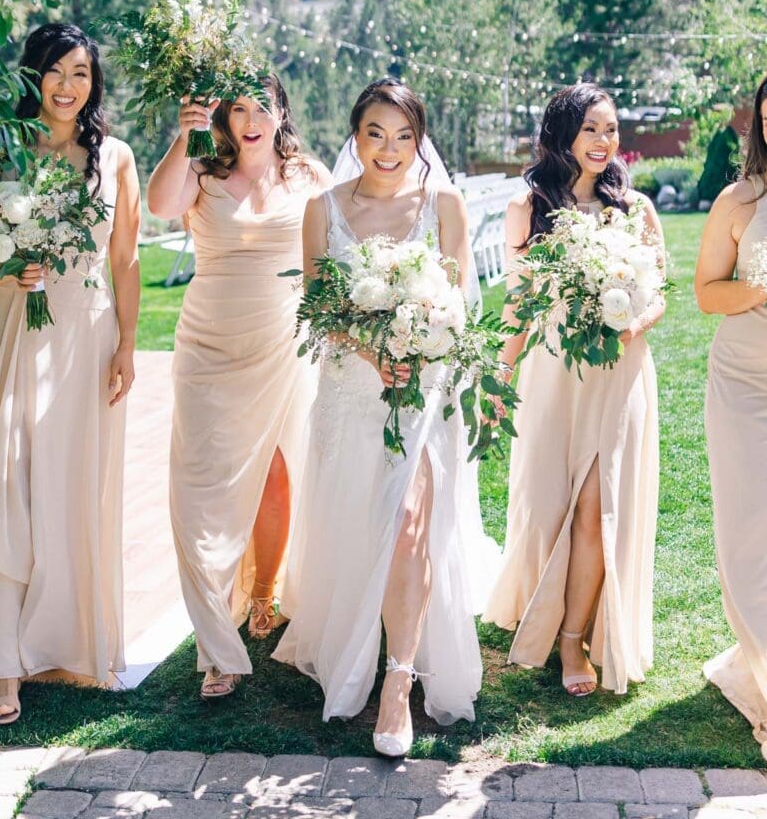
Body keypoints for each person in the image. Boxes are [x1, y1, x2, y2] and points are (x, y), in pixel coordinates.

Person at [273, 78, 497, 756]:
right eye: (375, 134)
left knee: (408, 524)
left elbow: (458, 305)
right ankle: (357, 639)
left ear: (420, 140)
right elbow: (317, 307)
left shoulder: (445, 204)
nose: (389, 149)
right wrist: (372, 348)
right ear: (355, 136)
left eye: (404, 136)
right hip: (351, 390)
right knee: (357, 521)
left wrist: (419, 337)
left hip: (424, 390)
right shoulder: (324, 208)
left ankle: (398, 681)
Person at [147, 75, 331, 700]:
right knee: (201, 487)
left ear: (282, 111)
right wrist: (183, 135)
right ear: (222, 117)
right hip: (207, 346)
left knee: (278, 473)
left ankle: (261, 596)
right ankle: (215, 644)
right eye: (238, 109)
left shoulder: (309, 175)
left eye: (262, 107)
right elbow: (159, 206)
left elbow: (337, 246)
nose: (250, 120)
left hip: (284, 344)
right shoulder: (199, 170)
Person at [482, 83, 665, 697]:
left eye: (611, 129)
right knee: (546, 506)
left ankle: (571, 640)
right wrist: (501, 378)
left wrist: (630, 325)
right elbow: (519, 306)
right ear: (561, 133)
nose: (604, 140)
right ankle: (539, 603)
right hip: (553, 375)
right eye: (591, 128)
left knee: (595, 507)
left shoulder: (634, 208)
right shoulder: (526, 208)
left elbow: (658, 291)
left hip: (619, 375)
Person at [0, 23, 141, 725]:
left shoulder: (114, 157)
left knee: (73, 488)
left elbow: (126, 260)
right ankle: (3, 663)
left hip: (85, 337)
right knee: (9, 480)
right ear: (34, 76)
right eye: (56, 70)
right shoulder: (5, 147)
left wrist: (126, 347)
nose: (67, 85)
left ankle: (67, 644)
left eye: (81, 72)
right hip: (14, 326)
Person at [695, 77, 767, 759]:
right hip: (745, 379)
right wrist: (760, 289)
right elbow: (705, 295)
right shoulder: (739, 200)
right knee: (747, 524)